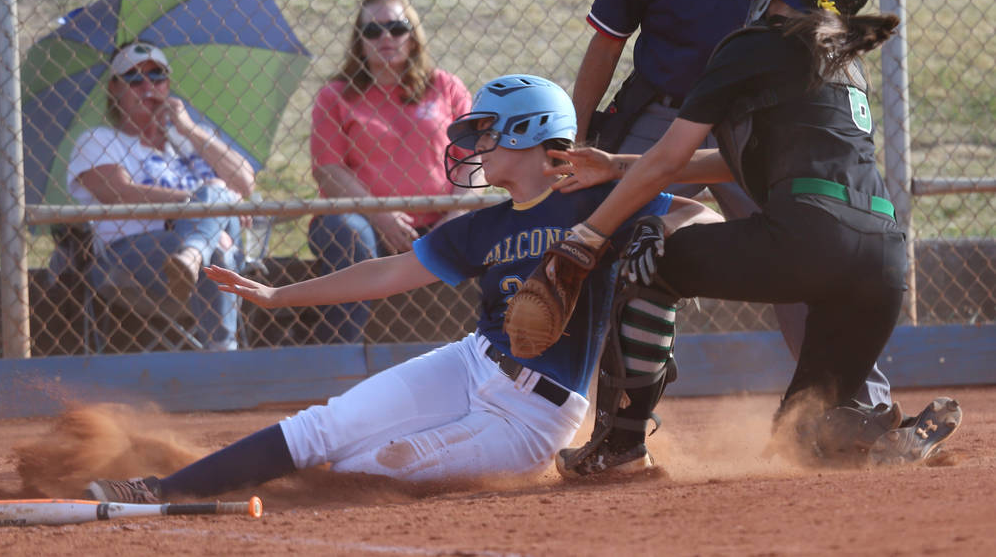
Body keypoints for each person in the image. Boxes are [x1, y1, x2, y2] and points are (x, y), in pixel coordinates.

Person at [82, 74, 722, 503]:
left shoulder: (606, 199)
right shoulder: (485, 226)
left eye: (486, 132)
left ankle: (241, 497)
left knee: (376, 466)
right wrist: (278, 295)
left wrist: (653, 234)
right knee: (323, 430)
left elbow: (705, 216)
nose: (471, 144)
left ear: (530, 134)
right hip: (472, 363)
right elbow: (385, 273)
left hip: (535, 412)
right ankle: (162, 492)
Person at [542, 0, 962, 475]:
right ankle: (873, 431)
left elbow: (669, 159)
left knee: (648, 264)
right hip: (882, 261)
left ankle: (620, 447)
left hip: (810, 240)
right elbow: (737, 162)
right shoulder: (845, 62)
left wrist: (589, 234)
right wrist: (619, 164)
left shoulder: (753, 43)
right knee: (802, 432)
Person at [572, 0, 892, 409]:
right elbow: (607, 44)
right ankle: (570, 401)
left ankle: (858, 405)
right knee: (605, 236)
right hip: (669, 112)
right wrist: (577, 138)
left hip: (758, 119)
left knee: (804, 244)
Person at [309, 0, 472, 343]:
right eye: (373, 30)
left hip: (440, 221)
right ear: (360, 41)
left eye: (396, 28)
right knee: (349, 233)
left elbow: (474, 159)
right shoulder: (336, 95)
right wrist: (379, 215)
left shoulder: (444, 87)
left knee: (496, 226)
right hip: (361, 221)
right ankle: (338, 355)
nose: (386, 37)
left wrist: (458, 214)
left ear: (412, 37)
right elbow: (328, 169)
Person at [67, 42, 255, 351]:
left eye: (157, 77)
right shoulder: (98, 140)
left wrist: (190, 129)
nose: (147, 87)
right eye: (134, 78)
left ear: (168, 85)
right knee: (218, 245)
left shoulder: (191, 140)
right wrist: (205, 201)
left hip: (196, 250)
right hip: (134, 254)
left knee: (217, 239)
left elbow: (245, 181)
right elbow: (120, 192)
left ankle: (192, 255)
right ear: (114, 88)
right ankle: (224, 360)